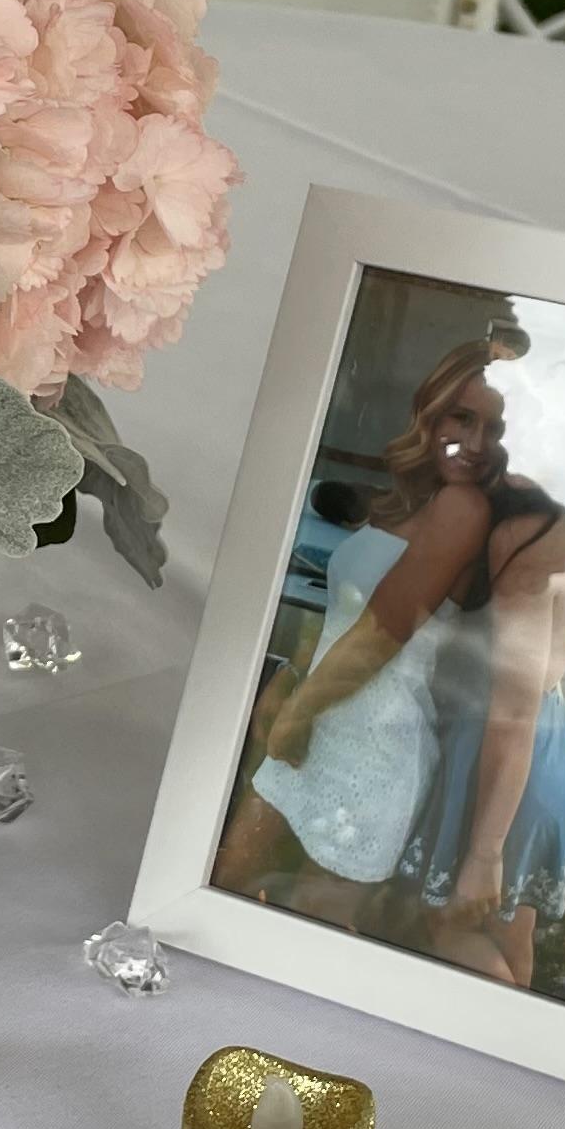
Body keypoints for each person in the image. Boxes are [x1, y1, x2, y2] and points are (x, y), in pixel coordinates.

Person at [212, 343, 502, 921]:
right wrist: (292, 678)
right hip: (314, 721)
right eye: (462, 418)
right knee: (226, 887)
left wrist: (296, 712)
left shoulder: (464, 508)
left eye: (493, 429)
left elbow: (382, 631)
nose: (475, 442)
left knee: (302, 932)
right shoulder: (402, 503)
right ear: (430, 412)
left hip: (375, 758)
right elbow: (343, 608)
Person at [394, 414, 565, 989]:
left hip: (504, 760)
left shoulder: (523, 538)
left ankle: (495, 1036)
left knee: (446, 925)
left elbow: (512, 712)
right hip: (549, 746)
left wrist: (484, 853)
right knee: (511, 935)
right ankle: (520, 1039)